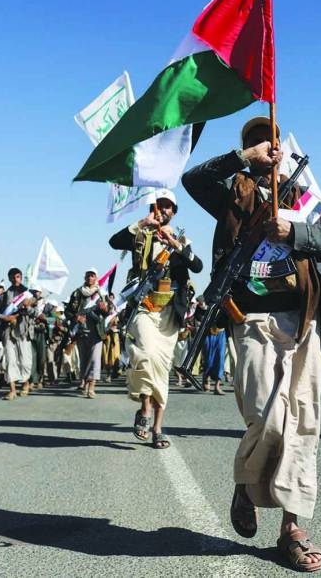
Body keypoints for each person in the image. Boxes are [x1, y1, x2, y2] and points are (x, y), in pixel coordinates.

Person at [182, 116, 321, 572]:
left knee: (304, 423)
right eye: (254, 142)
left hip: (304, 317)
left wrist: (294, 233)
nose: (264, 147)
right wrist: (242, 161)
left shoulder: (303, 192)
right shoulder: (233, 192)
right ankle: (247, 481)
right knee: (267, 417)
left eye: (269, 140)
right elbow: (192, 178)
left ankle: (292, 529)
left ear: (283, 148)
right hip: (252, 317)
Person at [109, 188, 203, 449]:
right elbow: (114, 242)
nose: (163, 210)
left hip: (171, 312)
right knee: (146, 353)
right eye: (159, 205)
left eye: (168, 206)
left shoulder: (182, 239)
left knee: (162, 367)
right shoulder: (141, 234)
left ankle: (158, 428)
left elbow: (197, 266)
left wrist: (176, 247)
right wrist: (141, 223)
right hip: (145, 307)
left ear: (174, 212)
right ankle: (144, 407)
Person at [0, 267, 36, 400]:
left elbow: (35, 313)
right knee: (10, 360)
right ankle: (12, 390)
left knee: (25, 361)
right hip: (8, 331)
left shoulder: (29, 294)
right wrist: (5, 318)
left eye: (17, 276)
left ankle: (25, 383)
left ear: (21, 277)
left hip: (23, 331)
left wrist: (27, 307)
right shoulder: (4, 295)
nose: (15, 279)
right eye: (12, 277)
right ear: (9, 278)